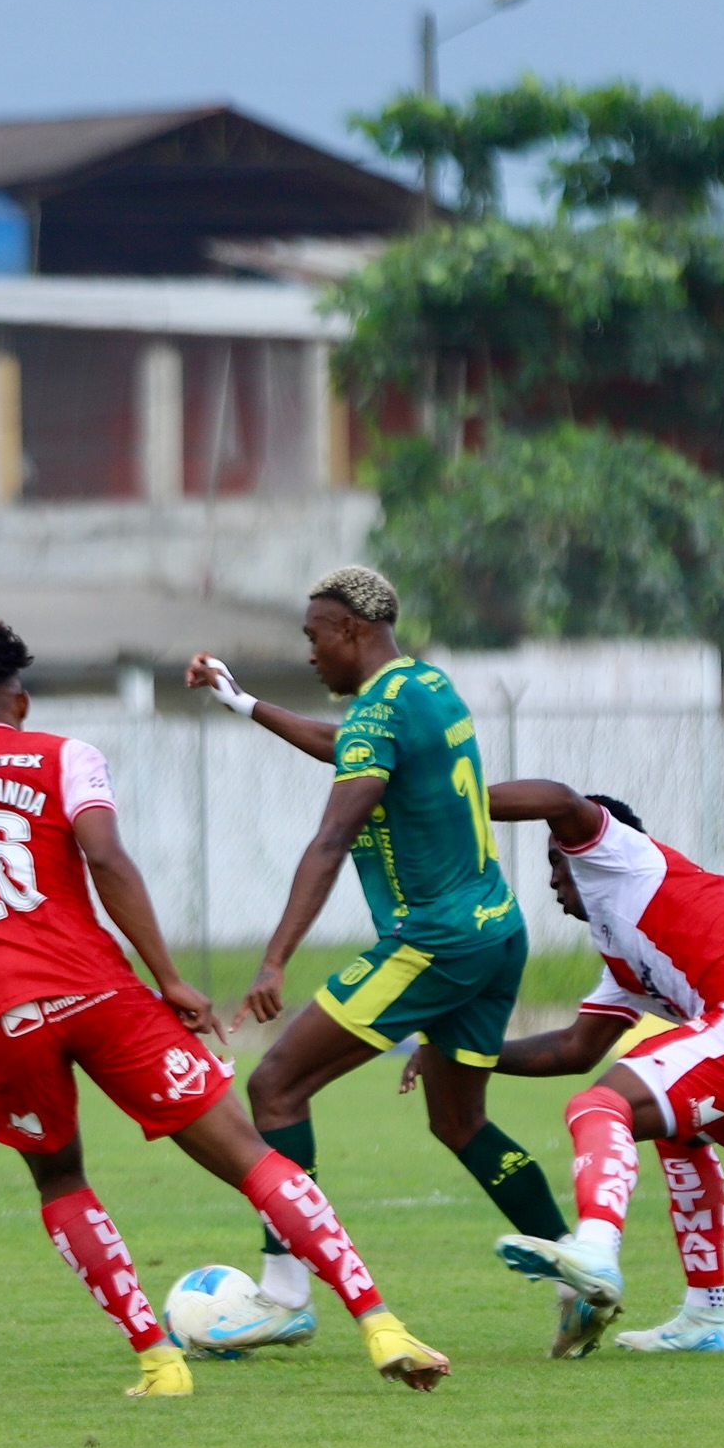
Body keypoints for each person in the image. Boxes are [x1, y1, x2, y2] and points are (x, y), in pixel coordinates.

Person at [0, 619, 448, 1397]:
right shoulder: (66, 756)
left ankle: (158, 1360)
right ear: (22, 702)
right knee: (250, 1156)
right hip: (101, 993)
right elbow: (105, 858)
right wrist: (167, 977)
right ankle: (381, 1324)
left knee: (62, 1182)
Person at [186, 565, 570, 1338]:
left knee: (277, 1085)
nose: (310, 653)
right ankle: (578, 1268)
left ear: (351, 631)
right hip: (497, 930)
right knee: (460, 1122)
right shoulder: (428, 687)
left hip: (434, 941)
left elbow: (331, 839)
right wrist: (241, 702)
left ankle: (285, 1293)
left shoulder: (375, 716)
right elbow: (343, 743)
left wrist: (273, 961)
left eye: (313, 636)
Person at [471, 780, 724, 1358]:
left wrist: (452, 793)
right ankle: (706, 1315)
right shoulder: (622, 955)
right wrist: (466, 1050)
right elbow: (575, 1048)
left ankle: (595, 1250)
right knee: (677, 1130)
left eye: (556, 861)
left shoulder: (620, 857)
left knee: (597, 1106)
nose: (552, 880)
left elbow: (558, 800)